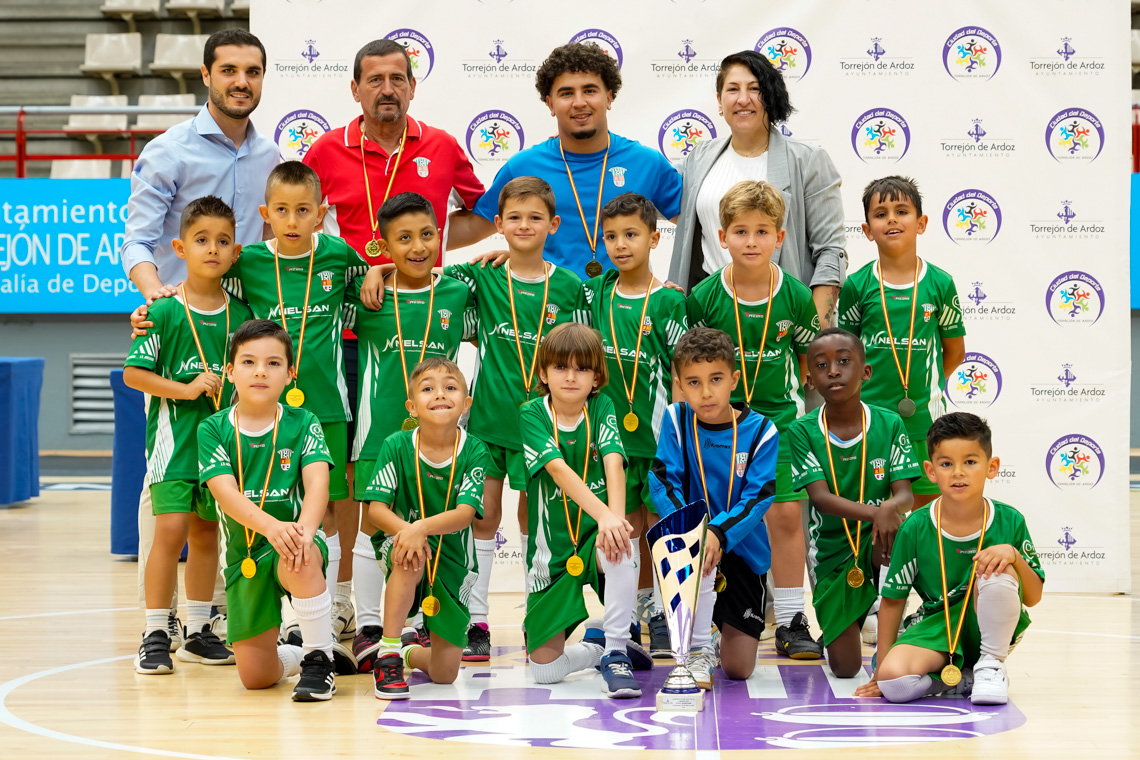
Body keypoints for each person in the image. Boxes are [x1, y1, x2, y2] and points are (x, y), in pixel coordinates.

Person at [304, 38, 488, 624]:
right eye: (375, 79)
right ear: (355, 88)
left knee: (425, 467)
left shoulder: (441, 145)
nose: (387, 89)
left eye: (397, 78)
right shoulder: (326, 149)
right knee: (352, 475)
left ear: (412, 85)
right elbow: (302, 225)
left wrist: (415, 262)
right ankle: (344, 600)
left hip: (421, 322)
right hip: (357, 333)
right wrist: (369, 270)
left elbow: (482, 213)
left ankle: (428, 599)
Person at [123, 27, 278, 642]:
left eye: (252, 71)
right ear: (207, 76)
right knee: (165, 501)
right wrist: (156, 298)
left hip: (241, 339)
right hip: (180, 328)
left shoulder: (272, 158)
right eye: (229, 70)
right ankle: (156, 622)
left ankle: (204, 620)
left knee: (223, 496)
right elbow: (139, 241)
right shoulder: (168, 151)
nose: (242, 82)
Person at [219, 161, 369, 645]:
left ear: (320, 214)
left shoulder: (338, 256)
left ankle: (339, 599)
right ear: (265, 214)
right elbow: (212, 296)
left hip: (328, 404)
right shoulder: (247, 263)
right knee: (284, 497)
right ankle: (291, 609)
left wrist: (382, 271)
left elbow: (371, 285)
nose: (291, 220)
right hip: (270, 409)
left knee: (335, 502)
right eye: (281, 210)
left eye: (303, 210)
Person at [445, 178, 588, 660]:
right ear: (498, 224)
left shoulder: (570, 287)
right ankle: (476, 619)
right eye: (514, 218)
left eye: (534, 218)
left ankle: (536, 614)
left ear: (554, 224)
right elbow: (424, 273)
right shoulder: (481, 276)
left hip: (541, 428)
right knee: (483, 516)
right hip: (488, 422)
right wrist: (382, 268)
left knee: (536, 521)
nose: (524, 226)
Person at [686, 180, 823, 659]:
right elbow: (691, 365)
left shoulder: (796, 297)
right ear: (722, 236)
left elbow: (808, 361)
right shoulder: (704, 297)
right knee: (718, 514)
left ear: (779, 238)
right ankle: (709, 615)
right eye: (740, 231)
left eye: (762, 231)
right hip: (719, 423)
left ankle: (790, 619)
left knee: (784, 514)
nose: (751, 241)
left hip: (778, 422)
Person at [342, 193, 477, 671]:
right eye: (403, 239)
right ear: (383, 246)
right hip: (376, 435)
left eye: (426, 235)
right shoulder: (365, 296)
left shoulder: (459, 292)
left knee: (427, 526)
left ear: (440, 236)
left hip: (436, 438)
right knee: (370, 528)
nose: (417, 247)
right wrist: (373, 272)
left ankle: (416, 621)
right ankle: (368, 626)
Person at [124, 196, 252, 674]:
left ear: (235, 252)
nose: (212, 249)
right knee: (170, 530)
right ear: (180, 248)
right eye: (201, 240)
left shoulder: (242, 315)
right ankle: (156, 630)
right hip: (173, 443)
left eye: (222, 241)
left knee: (205, 532)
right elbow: (133, 374)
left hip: (219, 446)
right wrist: (184, 388)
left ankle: (198, 629)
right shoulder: (162, 310)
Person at [197, 319, 352, 702]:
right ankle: (301, 654)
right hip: (246, 555)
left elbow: (318, 484)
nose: (261, 371)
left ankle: (319, 661)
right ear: (230, 371)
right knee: (256, 677)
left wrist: (304, 531)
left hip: (296, 540)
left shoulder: (304, 422)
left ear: (290, 373)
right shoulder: (212, 429)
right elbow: (225, 493)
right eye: (248, 362)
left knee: (299, 556)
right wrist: (271, 528)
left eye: (273, 363)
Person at [854, 413, 1044, 706]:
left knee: (998, 566)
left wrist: (1014, 557)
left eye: (970, 462)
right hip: (939, 625)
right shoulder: (915, 527)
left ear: (992, 467)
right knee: (894, 683)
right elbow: (892, 600)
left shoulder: (1010, 520)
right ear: (930, 471)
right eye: (946, 464)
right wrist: (880, 669)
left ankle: (991, 664)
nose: (958, 472)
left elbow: (1033, 597)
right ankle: (963, 679)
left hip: (989, 624)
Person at [459, 42, 683, 280]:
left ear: (609, 97)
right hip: (551, 301)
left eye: (590, 90)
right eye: (566, 93)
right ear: (550, 104)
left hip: (625, 302)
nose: (579, 102)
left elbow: (697, 224)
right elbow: (473, 227)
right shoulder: (523, 167)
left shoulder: (647, 163)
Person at [670, 50, 846, 329]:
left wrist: (814, 332)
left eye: (754, 88)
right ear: (719, 101)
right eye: (733, 89)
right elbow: (653, 194)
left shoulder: (808, 160)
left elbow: (830, 252)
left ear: (770, 96)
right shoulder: (699, 157)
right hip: (711, 323)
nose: (743, 99)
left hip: (782, 327)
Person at [520, 322, 648, 698]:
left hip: (594, 538)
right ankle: (598, 646)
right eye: (561, 367)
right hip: (553, 553)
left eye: (582, 368)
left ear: (597, 377)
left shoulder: (602, 406)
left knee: (622, 546)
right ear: (544, 373)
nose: (571, 376)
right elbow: (558, 470)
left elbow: (614, 461)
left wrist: (614, 520)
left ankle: (617, 652)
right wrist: (605, 514)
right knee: (545, 670)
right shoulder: (531, 413)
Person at [586, 192, 688, 657]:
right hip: (612, 443)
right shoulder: (596, 293)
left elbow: (680, 374)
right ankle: (626, 614)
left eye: (631, 234)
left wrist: (681, 438)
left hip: (657, 439)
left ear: (654, 238)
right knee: (622, 528)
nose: (620, 245)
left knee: (660, 529)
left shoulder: (669, 302)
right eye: (611, 237)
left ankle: (662, 611)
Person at [649, 327, 779, 689]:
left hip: (741, 551)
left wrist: (719, 533)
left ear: (734, 379)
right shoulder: (676, 420)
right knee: (691, 638)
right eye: (694, 382)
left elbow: (758, 497)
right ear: (679, 385)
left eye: (716, 379)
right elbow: (662, 482)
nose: (706, 392)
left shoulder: (762, 430)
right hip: (692, 549)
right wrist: (696, 532)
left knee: (738, 669)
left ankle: (721, 634)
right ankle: (698, 645)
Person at [787, 328, 920, 678]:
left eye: (844, 361)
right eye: (821, 365)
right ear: (810, 379)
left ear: (865, 371)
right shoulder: (802, 430)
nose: (833, 371)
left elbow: (905, 495)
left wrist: (889, 510)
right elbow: (821, 499)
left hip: (878, 538)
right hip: (831, 552)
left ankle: (922, 615)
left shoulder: (889, 423)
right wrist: (880, 510)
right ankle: (857, 612)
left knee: (908, 532)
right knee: (845, 668)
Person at [365, 358, 490, 700]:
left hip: (452, 559)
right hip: (404, 545)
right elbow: (376, 510)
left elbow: (465, 514)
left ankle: (408, 652)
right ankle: (388, 654)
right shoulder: (396, 445)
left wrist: (420, 527)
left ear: (466, 403)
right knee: (410, 556)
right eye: (428, 388)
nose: (440, 394)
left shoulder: (475, 449)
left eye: (450, 387)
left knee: (445, 673)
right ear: (412, 406)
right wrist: (410, 533)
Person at [838, 176, 966, 510]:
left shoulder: (940, 284)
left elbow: (955, 352)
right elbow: (846, 357)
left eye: (902, 211)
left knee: (928, 516)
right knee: (875, 515)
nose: (892, 219)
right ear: (867, 230)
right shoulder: (857, 286)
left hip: (924, 422)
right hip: (872, 422)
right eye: (881, 214)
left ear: (921, 223)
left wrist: (925, 389)